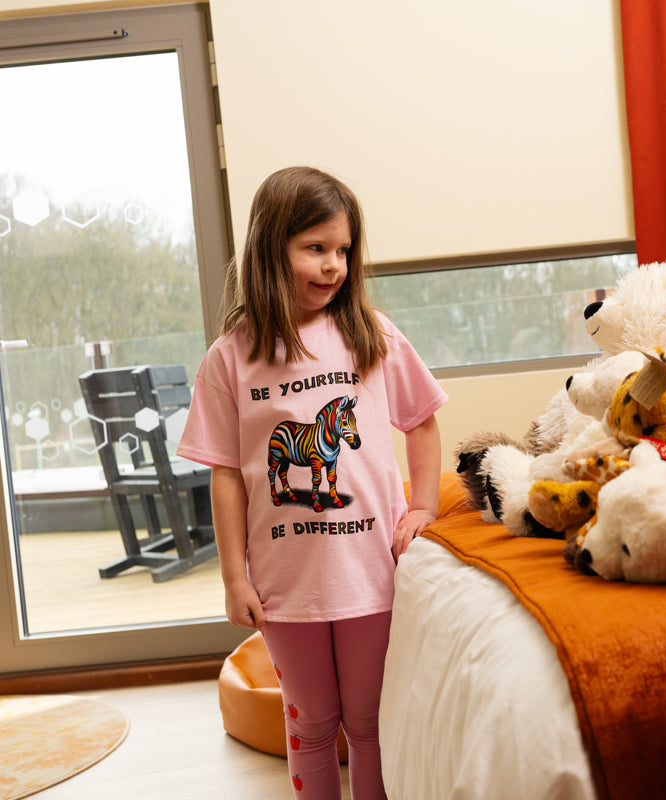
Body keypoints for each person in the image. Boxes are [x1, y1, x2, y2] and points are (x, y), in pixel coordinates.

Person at [177, 166, 447, 800]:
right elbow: (226, 477)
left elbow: (423, 422)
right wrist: (234, 577)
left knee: (370, 722)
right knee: (311, 724)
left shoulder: (370, 335)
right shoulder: (231, 356)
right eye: (316, 249)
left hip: (371, 572)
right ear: (274, 250)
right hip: (284, 584)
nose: (334, 266)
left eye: (344, 250)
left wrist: (425, 504)